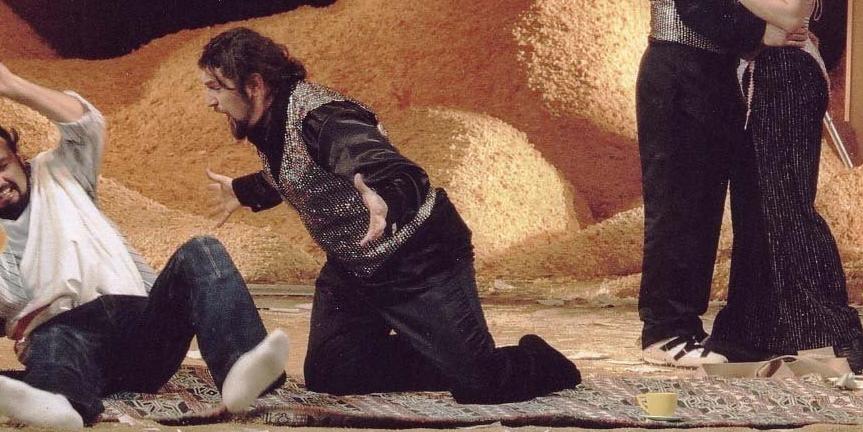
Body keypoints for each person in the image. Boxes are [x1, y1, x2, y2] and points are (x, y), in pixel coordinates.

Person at [199, 27, 581, 403]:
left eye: (216, 88)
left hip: (418, 260)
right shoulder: (271, 120)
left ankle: (535, 360)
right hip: (353, 270)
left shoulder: (326, 120)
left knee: (482, 383)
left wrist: (385, 200)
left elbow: (397, 173)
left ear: (255, 85)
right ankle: (449, 356)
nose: (209, 102)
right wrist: (243, 191)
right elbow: (297, 171)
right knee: (332, 374)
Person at [0, 46, 289, 431]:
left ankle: (240, 371)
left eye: (2, 165)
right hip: (67, 338)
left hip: (141, 327)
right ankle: (60, 406)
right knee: (53, 339)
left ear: (18, 157)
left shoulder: (61, 172)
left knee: (203, 250)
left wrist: (11, 85)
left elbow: (86, 122)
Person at [636, 0, 805, 368]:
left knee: (705, 205)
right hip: (678, 72)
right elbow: (699, 7)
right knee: (678, 206)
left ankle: (688, 327)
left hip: (712, 74)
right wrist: (765, 33)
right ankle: (665, 334)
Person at [705, 0, 863, 372]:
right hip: (771, 74)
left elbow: (792, 13)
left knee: (786, 207)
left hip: (787, 77)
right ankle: (749, 332)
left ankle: (838, 334)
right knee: (758, 207)